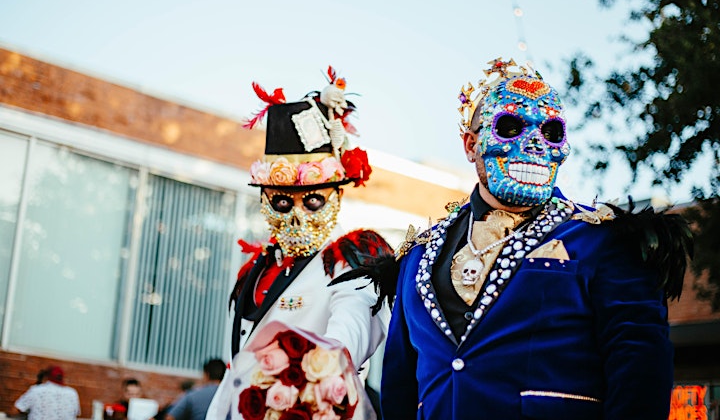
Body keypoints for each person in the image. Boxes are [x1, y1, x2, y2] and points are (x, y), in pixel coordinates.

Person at [379, 58, 693, 419]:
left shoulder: (603, 241)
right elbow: (400, 388)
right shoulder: (418, 256)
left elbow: (640, 376)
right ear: (470, 145)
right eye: (510, 127)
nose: (533, 145)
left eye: (551, 132)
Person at [206, 66, 393, 419]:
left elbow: (352, 325)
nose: (296, 215)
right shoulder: (256, 272)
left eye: (312, 201)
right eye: (281, 201)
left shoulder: (349, 261)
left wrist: (326, 364)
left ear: (337, 196)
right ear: (265, 200)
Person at [12, 365, 81, 420]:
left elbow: (15, 410)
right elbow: (75, 414)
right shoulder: (72, 393)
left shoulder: (36, 390)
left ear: (46, 377)